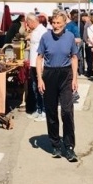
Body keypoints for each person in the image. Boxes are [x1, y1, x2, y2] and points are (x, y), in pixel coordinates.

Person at [37, 10, 79, 162]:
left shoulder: (70, 37)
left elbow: (74, 57)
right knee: (51, 111)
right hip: (49, 74)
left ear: (64, 23)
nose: (55, 26)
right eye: (53, 23)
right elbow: (39, 58)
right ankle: (55, 144)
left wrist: (75, 78)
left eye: (58, 23)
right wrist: (40, 79)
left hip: (65, 74)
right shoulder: (45, 37)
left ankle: (69, 147)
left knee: (67, 112)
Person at [25, 13, 47, 121]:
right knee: (35, 88)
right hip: (33, 63)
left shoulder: (42, 31)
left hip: (39, 64)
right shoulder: (35, 31)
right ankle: (38, 109)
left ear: (33, 21)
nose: (27, 25)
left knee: (40, 88)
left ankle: (44, 111)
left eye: (28, 23)